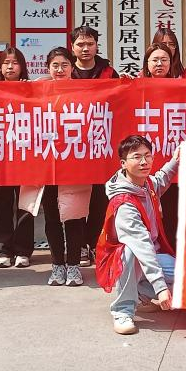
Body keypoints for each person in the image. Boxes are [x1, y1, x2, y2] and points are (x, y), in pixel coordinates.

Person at [97, 135, 181, 335]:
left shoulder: (146, 184)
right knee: (129, 251)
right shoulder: (123, 202)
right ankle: (122, 311)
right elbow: (141, 245)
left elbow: (161, 180)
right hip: (122, 260)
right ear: (123, 163)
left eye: (147, 155)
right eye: (137, 157)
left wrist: (175, 161)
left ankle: (141, 293)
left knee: (185, 277)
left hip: (151, 254)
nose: (144, 162)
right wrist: (160, 288)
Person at [70, 25, 118, 266]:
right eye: (80, 44)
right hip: (73, 145)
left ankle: (93, 242)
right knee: (77, 198)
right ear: (72, 47)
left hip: (102, 144)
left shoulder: (109, 72)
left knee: (100, 198)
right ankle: (78, 245)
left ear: (97, 46)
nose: (85, 48)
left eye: (90, 43)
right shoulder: (66, 72)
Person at [40, 47, 87, 286]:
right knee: (51, 217)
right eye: (55, 65)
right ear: (48, 68)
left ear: (72, 66)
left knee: (74, 215)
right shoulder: (38, 90)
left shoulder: (84, 91)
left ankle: (74, 265)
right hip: (46, 163)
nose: (60, 70)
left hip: (75, 161)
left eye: (64, 65)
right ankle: (57, 264)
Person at [0, 46, 34, 269]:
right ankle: (4, 249)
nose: (10, 67)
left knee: (26, 205)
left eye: (15, 63)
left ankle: (23, 251)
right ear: (0, 67)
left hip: (26, 157)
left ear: (22, 67)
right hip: (0, 157)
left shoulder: (32, 90)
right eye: (6, 63)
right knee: (1, 205)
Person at [140, 42, 182, 245]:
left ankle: (172, 252)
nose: (159, 64)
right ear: (147, 63)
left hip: (172, 157)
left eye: (164, 59)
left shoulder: (183, 87)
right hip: (144, 161)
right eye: (155, 60)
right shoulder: (135, 87)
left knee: (172, 212)